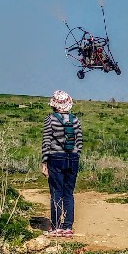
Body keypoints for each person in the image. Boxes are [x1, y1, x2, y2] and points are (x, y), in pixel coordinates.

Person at [41, 90, 83, 237]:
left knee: (56, 193)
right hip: (73, 159)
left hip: (55, 158)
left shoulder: (50, 119)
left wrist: (44, 161)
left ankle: (56, 227)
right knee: (68, 194)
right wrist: (75, 155)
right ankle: (68, 227)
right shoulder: (75, 119)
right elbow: (79, 142)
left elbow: (47, 141)